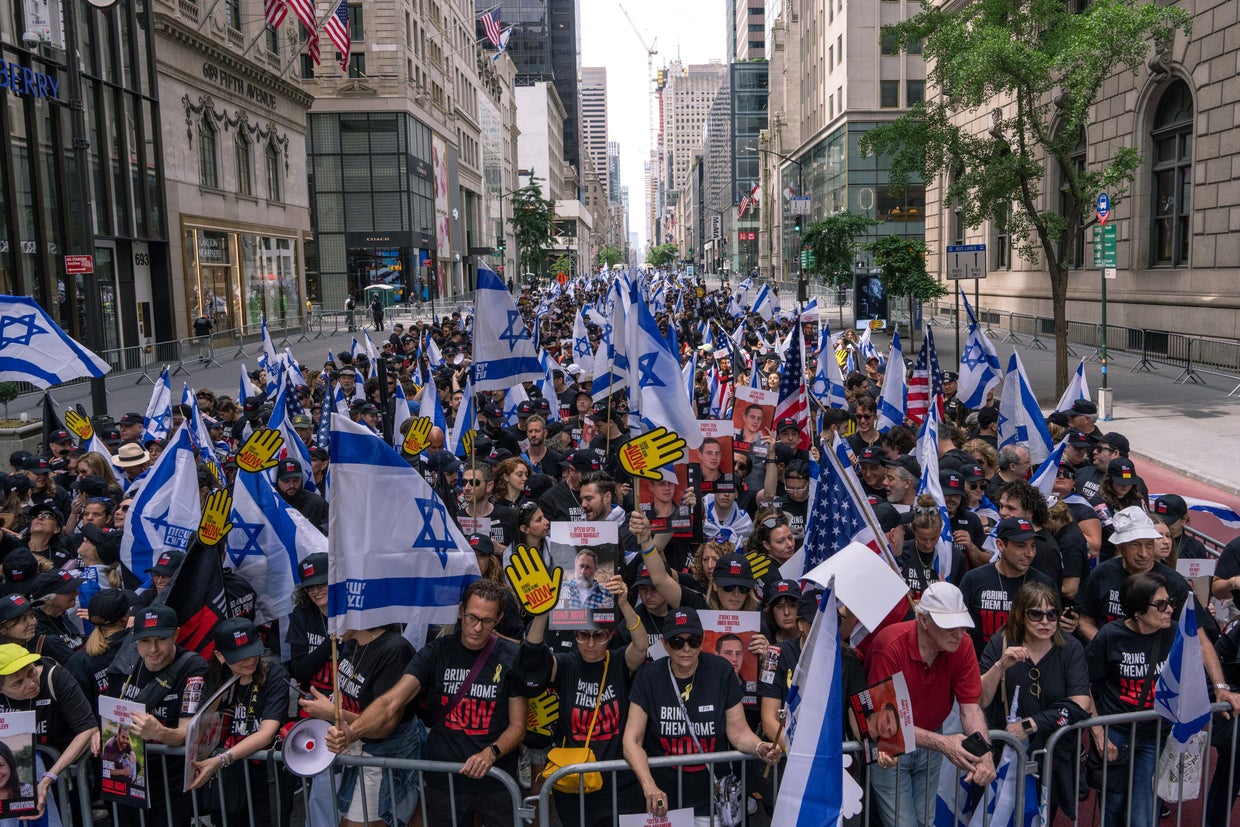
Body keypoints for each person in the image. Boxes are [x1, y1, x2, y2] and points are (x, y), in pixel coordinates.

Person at [326, 581, 528, 826]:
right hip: (445, 778)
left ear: (499, 619)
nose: (477, 628)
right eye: (472, 617)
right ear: (461, 611)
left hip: (496, 778)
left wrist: (491, 753)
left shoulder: (510, 656)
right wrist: (351, 733)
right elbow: (391, 701)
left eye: (487, 621)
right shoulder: (437, 651)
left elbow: (518, 726)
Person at [622, 607, 781, 825]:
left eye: (694, 640)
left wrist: (760, 747)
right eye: (677, 641)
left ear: (702, 639)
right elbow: (632, 740)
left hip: (711, 801)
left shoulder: (721, 670)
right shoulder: (648, 677)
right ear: (664, 643)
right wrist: (649, 785)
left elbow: (738, 731)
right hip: (665, 801)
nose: (686, 648)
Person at [521, 574, 649, 827]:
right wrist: (542, 613)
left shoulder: (618, 661)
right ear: (576, 635)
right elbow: (533, 660)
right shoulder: (567, 664)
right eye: (583, 635)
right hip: (575, 781)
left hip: (618, 782)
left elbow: (642, 646)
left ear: (609, 636)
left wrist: (624, 603)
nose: (591, 643)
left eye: (598, 636)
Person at [865, 582, 996, 827]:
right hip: (890, 748)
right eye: (949, 627)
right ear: (923, 620)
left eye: (962, 625)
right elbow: (885, 726)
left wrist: (985, 752)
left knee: (926, 822)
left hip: (931, 740)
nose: (958, 633)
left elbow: (970, 708)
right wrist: (944, 743)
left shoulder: (963, 645)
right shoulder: (890, 646)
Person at [977, 583, 1090, 819]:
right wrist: (1000, 667)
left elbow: (1080, 704)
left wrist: (1030, 724)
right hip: (1004, 754)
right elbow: (981, 699)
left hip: (1051, 757)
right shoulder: (1001, 643)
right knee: (999, 818)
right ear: (1020, 614)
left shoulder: (1071, 648)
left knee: (1040, 819)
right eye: (1036, 614)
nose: (1045, 621)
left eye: (1052, 614)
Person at [101, 605, 209, 827]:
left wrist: (159, 732)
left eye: (161, 639)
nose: (153, 649)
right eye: (144, 641)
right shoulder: (125, 663)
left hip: (170, 779)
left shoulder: (193, 667)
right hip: (129, 778)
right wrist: (97, 732)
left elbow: (185, 732)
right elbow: (110, 715)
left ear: (176, 635)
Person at [189, 619, 294, 823]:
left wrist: (221, 759)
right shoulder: (212, 677)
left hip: (266, 775)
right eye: (239, 657)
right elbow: (200, 726)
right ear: (220, 655)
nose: (249, 660)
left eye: (253, 651)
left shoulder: (275, 674)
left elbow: (266, 733)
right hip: (229, 777)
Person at [0, 643, 97, 819]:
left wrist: (49, 777)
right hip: (15, 780)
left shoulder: (55, 677)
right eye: (17, 683)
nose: (30, 683)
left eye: (31, 672)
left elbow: (88, 729)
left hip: (64, 774)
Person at [958, 516, 1056, 654]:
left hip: (1028, 668)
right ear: (1000, 545)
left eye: (1033, 545)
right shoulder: (973, 580)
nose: (1030, 553)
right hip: (982, 668)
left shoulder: (1044, 584)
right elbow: (960, 631)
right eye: (1021, 546)